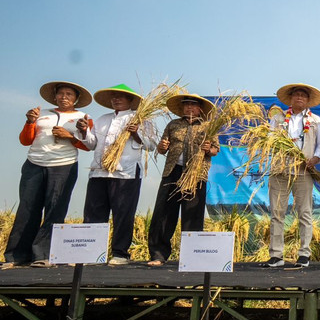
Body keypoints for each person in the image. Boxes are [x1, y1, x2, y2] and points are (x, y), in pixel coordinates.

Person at [0, 81, 95, 269]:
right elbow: (25, 140)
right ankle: (16, 256)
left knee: (55, 209)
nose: (64, 97)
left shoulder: (83, 117)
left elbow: (89, 145)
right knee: (27, 208)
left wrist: (71, 136)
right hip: (34, 164)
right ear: (55, 96)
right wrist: (30, 122)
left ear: (76, 98)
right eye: (61, 94)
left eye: (69, 94)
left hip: (63, 166)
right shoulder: (42, 115)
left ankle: (43, 255)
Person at [79, 84, 158, 265]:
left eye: (121, 97)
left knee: (123, 213)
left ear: (131, 101)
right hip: (99, 171)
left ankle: (120, 253)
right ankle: (90, 253)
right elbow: (91, 144)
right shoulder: (102, 119)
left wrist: (136, 133)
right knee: (94, 212)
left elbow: (151, 145)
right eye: (114, 96)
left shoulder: (141, 119)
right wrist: (84, 131)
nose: (116, 99)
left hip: (126, 172)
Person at [261, 83, 320, 269]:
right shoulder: (278, 119)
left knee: (304, 213)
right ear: (290, 99)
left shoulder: (316, 120)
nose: (299, 98)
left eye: (303, 95)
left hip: (303, 171)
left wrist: (314, 159)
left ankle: (304, 254)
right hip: (279, 170)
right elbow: (269, 140)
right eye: (296, 95)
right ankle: (276, 255)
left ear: (308, 101)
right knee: (276, 212)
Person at [146, 94, 218, 266]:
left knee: (192, 215)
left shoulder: (209, 126)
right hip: (172, 172)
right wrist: (162, 147)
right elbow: (162, 148)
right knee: (164, 213)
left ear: (200, 108)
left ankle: (191, 257)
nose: (189, 108)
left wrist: (209, 149)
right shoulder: (173, 125)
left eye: (193, 105)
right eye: (186, 105)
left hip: (195, 173)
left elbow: (215, 149)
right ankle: (158, 255)